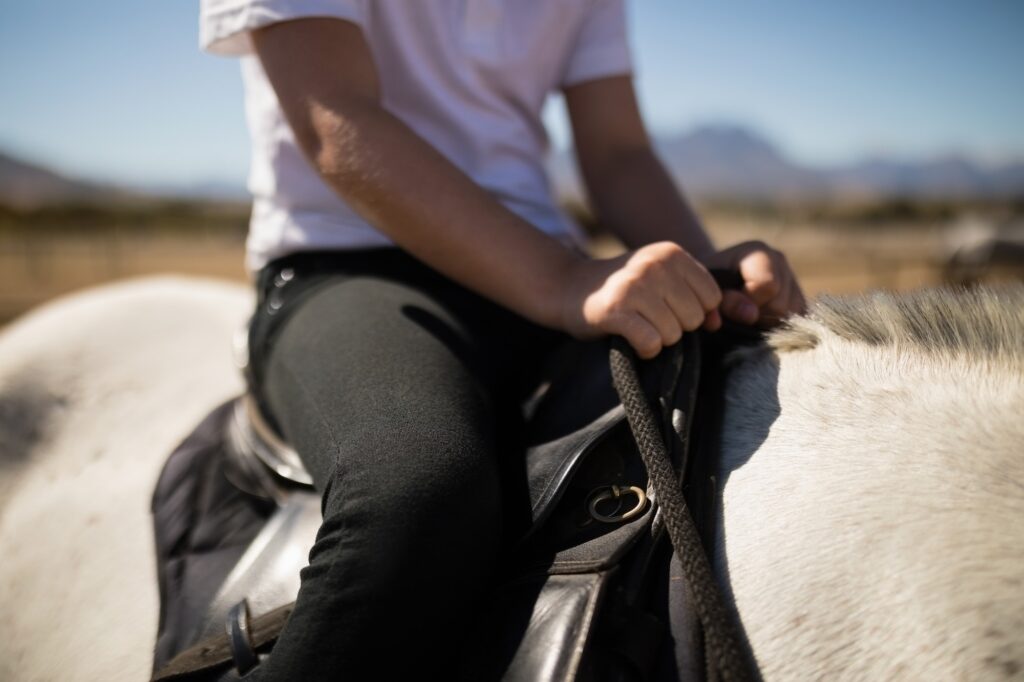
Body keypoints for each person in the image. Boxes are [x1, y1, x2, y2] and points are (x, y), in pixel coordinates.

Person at [199, 1, 805, 678]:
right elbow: (334, 118)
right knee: (420, 494)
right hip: (350, 262)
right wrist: (563, 281)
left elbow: (618, 152)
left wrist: (707, 276)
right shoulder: (541, 277)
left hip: (544, 267)